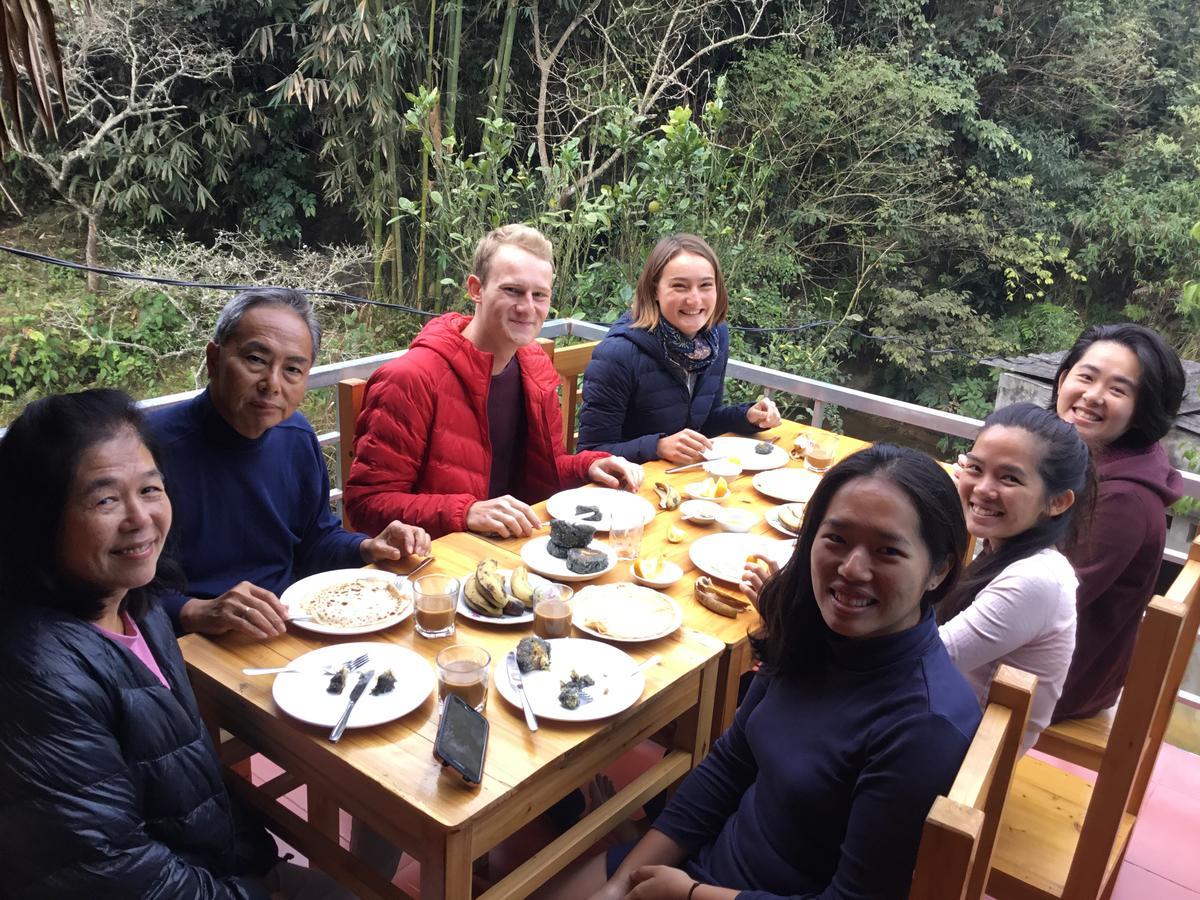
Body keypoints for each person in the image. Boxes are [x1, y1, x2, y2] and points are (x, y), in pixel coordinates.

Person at [542, 444, 981, 900]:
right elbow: (729, 767)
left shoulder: (924, 727)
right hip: (704, 868)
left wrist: (690, 894)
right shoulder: (810, 636)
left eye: (888, 551)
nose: (852, 569)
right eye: (836, 539)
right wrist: (619, 887)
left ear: (939, 569)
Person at [0, 390, 354, 899]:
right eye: (104, 499)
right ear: (40, 519)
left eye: (150, 489)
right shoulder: (38, 674)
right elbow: (113, 876)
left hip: (215, 866)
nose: (139, 518)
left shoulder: (136, 608)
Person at [149, 288, 431, 640]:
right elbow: (109, 583)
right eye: (255, 360)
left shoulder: (295, 436)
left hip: (286, 626)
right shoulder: (149, 451)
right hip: (188, 645)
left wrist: (366, 547)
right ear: (213, 359)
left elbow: (314, 539)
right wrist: (195, 611)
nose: (272, 384)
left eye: (293, 369)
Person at [345, 224, 643, 539]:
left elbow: (543, 468)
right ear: (476, 289)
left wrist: (587, 466)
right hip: (435, 566)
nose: (528, 307)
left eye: (539, 295)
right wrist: (468, 512)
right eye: (512, 290)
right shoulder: (410, 379)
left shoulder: (534, 364)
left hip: (517, 547)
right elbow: (366, 504)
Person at [1048, 323, 1185, 721]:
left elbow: (1046, 605)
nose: (1093, 396)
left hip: (1058, 680)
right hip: (1060, 656)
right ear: (1062, 379)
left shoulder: (1123, 499)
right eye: (1086, 377)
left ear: (1142, 410)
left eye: (1118, 389)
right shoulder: (1083, 457)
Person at [938, 403, 1089, 751]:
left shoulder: (1036, 580)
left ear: (1057, 502)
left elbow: (930, 657)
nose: (982, 489)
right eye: (975, 468)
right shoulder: (1003, 550)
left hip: (964, 757)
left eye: (1009, 478)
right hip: (951, 719)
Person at [576, 233, 781, 464]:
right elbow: (590, 454)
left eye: (705, 285)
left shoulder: (715, 339)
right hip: (629, 489)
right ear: (654, 290)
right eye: (679, 286)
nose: (695, 299)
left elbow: (703, 423)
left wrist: (746, 417)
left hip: (686, 484)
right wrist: (658, 447)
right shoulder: (618, 354)